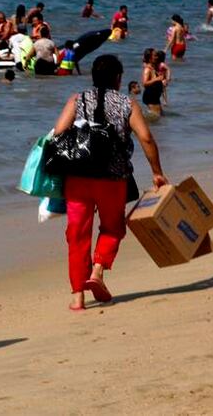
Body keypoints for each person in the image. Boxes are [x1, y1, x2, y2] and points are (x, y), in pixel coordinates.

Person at [52, 54, 167, 310]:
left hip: (78, 177)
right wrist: (157, 172)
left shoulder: (77, 99)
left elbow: (58, 132)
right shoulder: (128, 104)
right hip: (113, 178)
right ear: (118, 78)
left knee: (77, 235)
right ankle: (98, 270)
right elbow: (146, 138)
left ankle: (78, 297)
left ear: (93, 77)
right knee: (113, 228)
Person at [141, 48, 164, 116]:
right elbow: (144, 83)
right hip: (150, 97)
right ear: (149, 58)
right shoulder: (147, 69)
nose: (157, 57)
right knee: (156, 116)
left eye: (157, 55)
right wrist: (156, 79)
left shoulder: (153, 68)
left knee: (160, 115)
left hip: (155, 97)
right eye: (155, 55)